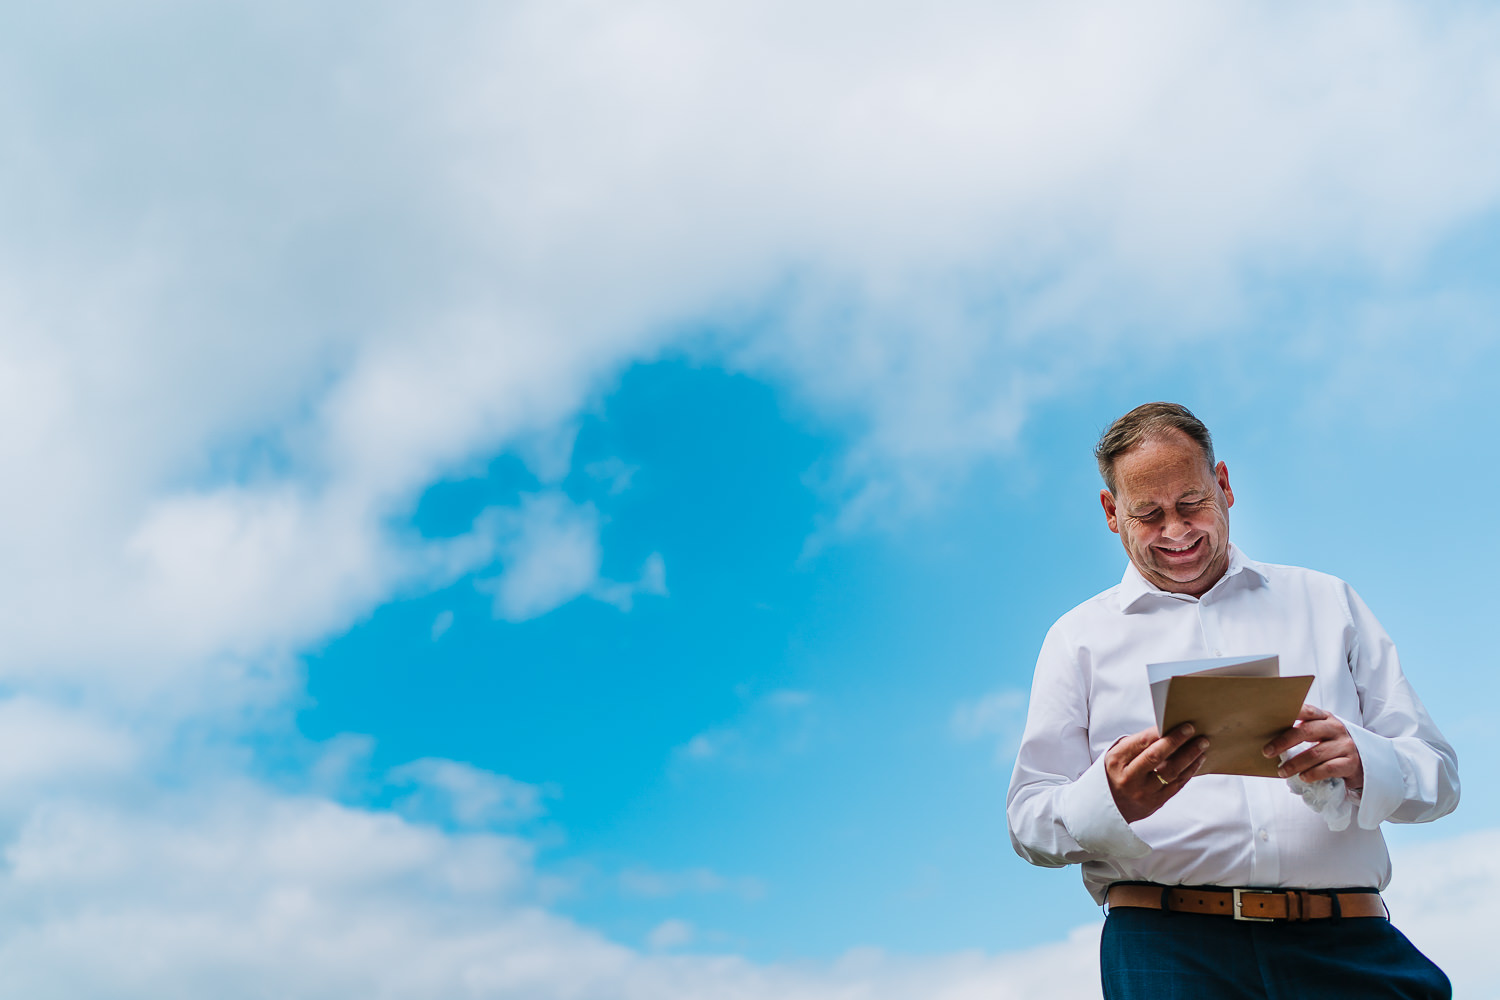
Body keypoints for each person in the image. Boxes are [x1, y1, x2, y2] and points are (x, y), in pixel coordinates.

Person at [1006, 402, 1459, 1000]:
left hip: (1348, 944)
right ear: (1112, 513)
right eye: (1148, 513)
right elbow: (1028, 821)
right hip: (1168, 949)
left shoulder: (1328, 602)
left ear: (1223, 485)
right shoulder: (1076, 639)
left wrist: (1361, 759)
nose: (1176, 530)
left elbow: (1440, 779)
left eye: (1191, 502)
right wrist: (1109, 798)